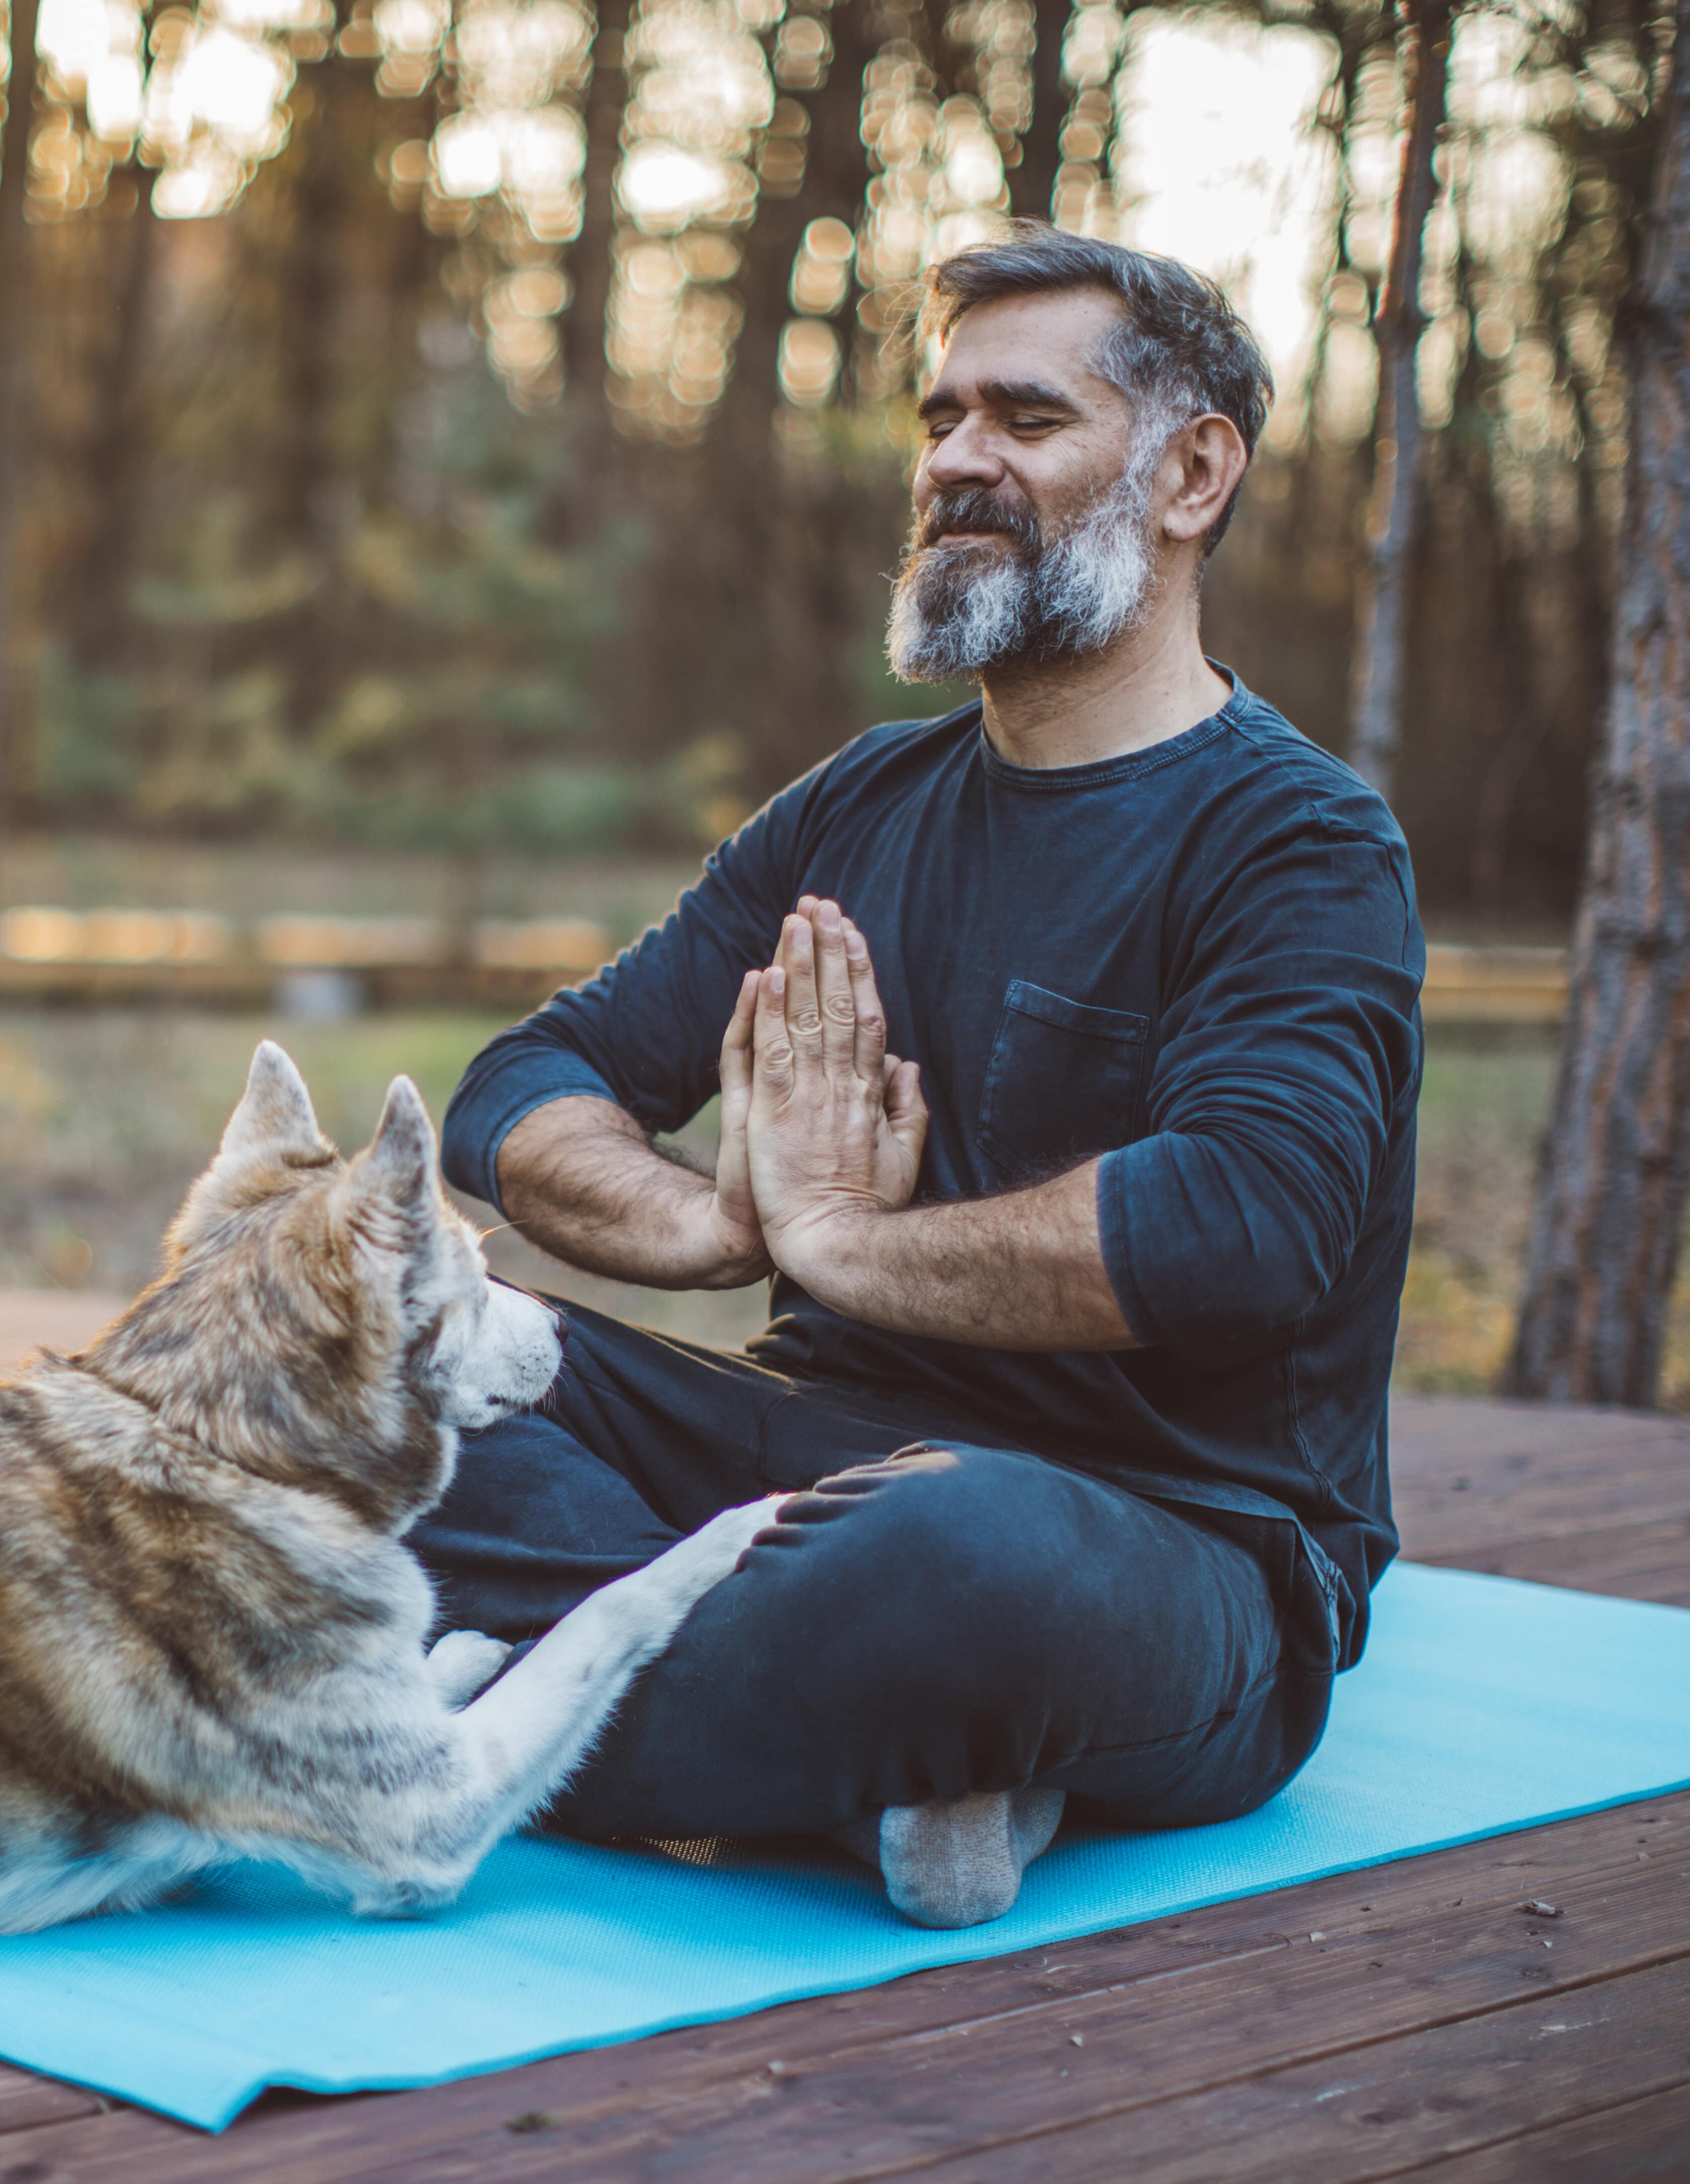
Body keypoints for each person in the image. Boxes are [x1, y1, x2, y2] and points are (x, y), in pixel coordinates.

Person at [411, 226, 1426, 1928]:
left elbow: (1241, 1226)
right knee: (378, 1364)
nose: (955, 460)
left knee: (952, 1558)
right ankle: (833, 1773)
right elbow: (522, 1084)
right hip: (798, 1466)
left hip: (1167, 1538)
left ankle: (464, 1701)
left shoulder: (1302, 841)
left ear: (1190, 473)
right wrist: (708, 1224)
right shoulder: (856, 804)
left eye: (1023, 421)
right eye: (939, 418)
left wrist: (844, 1245)